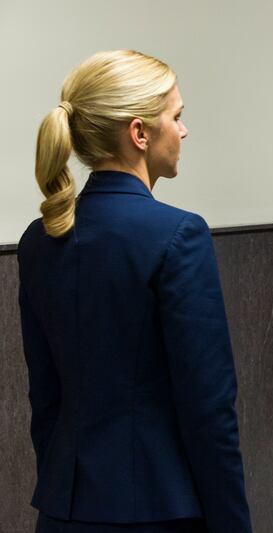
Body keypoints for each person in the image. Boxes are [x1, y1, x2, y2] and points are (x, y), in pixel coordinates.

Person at [18, 50, 252, 533]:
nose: (184, 130)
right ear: (139, 133)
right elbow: (209, 411)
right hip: (157, 510)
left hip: (64, 509)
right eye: (177, 116)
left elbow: (45, 399)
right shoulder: (178, 235)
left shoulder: (38, 239)